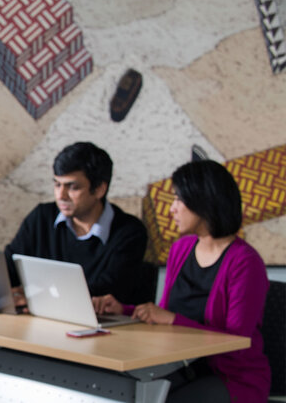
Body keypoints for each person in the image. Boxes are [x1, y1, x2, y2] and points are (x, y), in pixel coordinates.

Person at [92, 160, 270, 402]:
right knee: (117, 389)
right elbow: (165, 315)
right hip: (180, 366)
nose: (171, 209)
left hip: (232, 378)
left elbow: (236, 341)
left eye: (178, 199)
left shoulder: (245, 262)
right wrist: (123, 309)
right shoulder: (181, 249)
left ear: (203, 202)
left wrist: (172, 319)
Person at [5, 142, 147, 305]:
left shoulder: (130, 232)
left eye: (72, 187)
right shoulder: (41, 217)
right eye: (57, 184)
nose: (61, 195)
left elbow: (108, 291)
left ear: (99, 189)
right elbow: (8, 268)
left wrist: (34, 296)